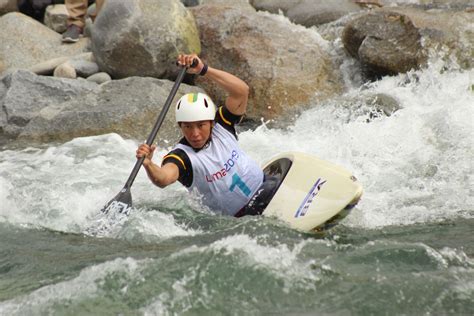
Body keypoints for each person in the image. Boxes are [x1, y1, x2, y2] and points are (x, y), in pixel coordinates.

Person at [136, 54, 279, 217]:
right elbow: (163, 178)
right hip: (243, 217)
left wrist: (203, 70)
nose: (195, 133)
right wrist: (148, 164)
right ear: (180, 126)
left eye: (201, 125)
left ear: (211, 122)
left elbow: (242, 91)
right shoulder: (181, 157)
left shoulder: (222, 124)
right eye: (188, 127)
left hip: (268, 187)